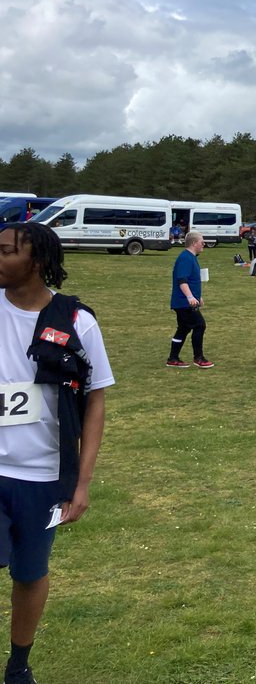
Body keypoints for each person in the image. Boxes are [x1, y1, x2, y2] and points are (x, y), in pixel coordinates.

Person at [0, 223, 113, 684]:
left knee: (29, 574)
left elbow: (96, 402)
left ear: (38, 261)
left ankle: (18, 664)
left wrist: (81, 484)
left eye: (6, 252)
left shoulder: (77, 321)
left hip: (44, 476)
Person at [166, 231, 214, 369]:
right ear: (194, 243)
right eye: (202, 242)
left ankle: (173, 358)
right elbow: (182, 280)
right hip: (183, 302)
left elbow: (192, 280)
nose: (203, 244)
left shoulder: (191, 257)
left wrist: (198, 296)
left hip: (185, 301)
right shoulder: (186, 258)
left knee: (183, 328)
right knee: (200, 325)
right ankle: (198, 357)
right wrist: (190, 297)